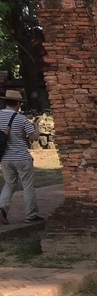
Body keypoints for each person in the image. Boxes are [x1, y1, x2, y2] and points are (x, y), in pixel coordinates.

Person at [0, 90, 41, 225]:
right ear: (17, 103)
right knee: (28, 186)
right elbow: (33, 137)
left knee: (9, 183)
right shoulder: (21, 119)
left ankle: (2, 208)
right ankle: (31, 214)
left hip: (5, 158)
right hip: (22, 157)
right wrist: (36, 125)